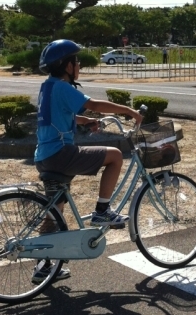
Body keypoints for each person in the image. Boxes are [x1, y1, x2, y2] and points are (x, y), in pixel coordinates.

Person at [32, 39, 143, 283]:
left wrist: (85, 122)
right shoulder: (62, 87)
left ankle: (42, 265)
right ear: (67, 65)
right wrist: (128, 110)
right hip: (61, 154)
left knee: (54, 212)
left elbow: (62, 114)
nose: (79, 65)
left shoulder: (47, 87)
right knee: (114, 156)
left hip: (45, 156)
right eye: (76, 61)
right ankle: (102, 211)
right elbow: (92, 104)